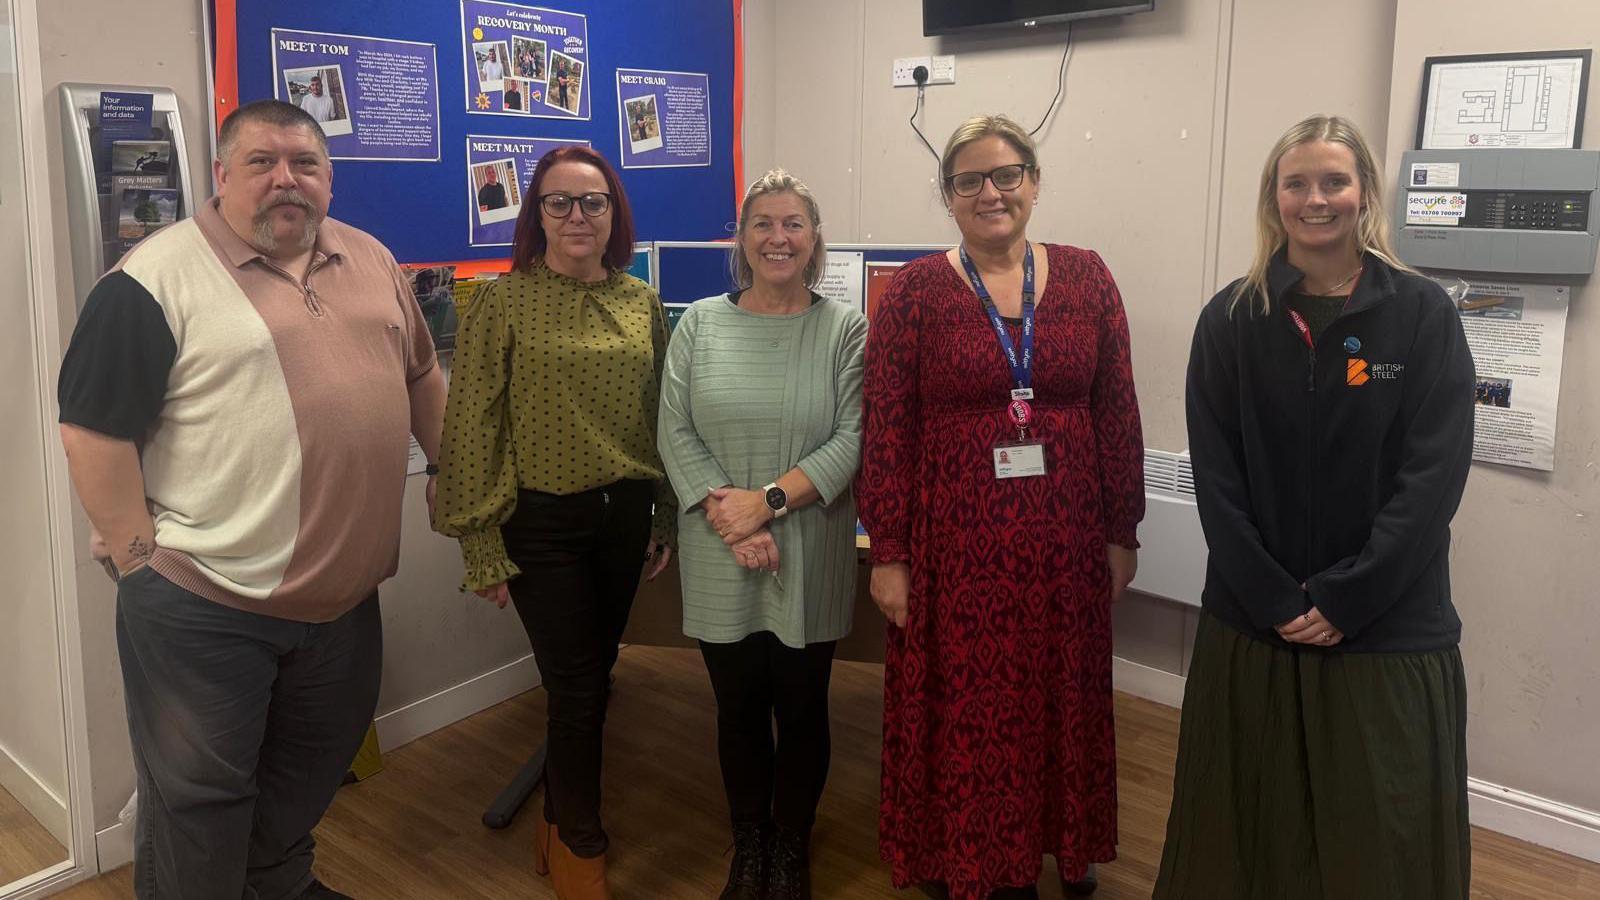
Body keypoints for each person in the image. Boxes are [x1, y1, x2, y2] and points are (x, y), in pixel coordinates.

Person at [56, 98, 445, 900]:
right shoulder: (152, 279)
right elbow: (93, 432)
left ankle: (278, 885)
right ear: (222, 175)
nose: (285, 180)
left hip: (343, 602)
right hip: (207, 602)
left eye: (304, 164)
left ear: (329, 180)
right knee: (198, 800)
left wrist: (448, 470)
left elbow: (420, 377)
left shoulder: (372, 260)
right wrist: (139, 563)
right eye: (262, 163)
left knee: (308, 778)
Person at [1154, 114, 1476, 899]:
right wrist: (1271, 596)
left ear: (1364, 192)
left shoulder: (1424, 315)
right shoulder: (1231, 318)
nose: (1315, 199)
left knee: (1381, 843)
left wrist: (1347, 595)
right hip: (1253, 623)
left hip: (1385, 626)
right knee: (1241, 836)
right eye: (1296, 182)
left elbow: (1433, 478)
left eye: (1334, 180)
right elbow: (1218, 477)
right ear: (1275, 197)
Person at [856, 114, 1144, 900]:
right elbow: (886, 426)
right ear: (947, 196)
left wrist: (1125, 530)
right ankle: (973, 857)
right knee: (970, 709)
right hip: (957, 549)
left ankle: (1065, 838)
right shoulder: (914, 293)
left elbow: (1116, 408)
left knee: (1063, 698)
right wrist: (888, 550)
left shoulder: (1087, 278)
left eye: (1007, 174)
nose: (991, 192)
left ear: (1034, 181)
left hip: (1067, 543)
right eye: (969, 180)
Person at [434, 144, 676, 900]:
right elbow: (471, 425)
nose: (577, 216)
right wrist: (480, 545)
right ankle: (581, 842)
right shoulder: (501, 303)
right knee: (575, 690)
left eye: (593, 202)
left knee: (594, 679)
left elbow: (663, 416)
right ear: (535, 216)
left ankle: (556, 819)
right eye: (559, 202)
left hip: (624, 517)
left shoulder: (642, 303)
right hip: (540, 524)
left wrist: (663, 512)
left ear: (615, 215)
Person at [657, 169, 867, 900]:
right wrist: (732, 518)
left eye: (794, 225)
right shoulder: (699, 325)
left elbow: (852, 437)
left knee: (804, 707)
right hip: (722, 552)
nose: (778, 238)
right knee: (738, 707)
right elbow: (674, 430)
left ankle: (791, 846)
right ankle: (750, 842)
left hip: (811, 544)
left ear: (815, 242)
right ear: (741, 241)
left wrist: (768, 503)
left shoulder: (845, 329)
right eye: (763, 225)